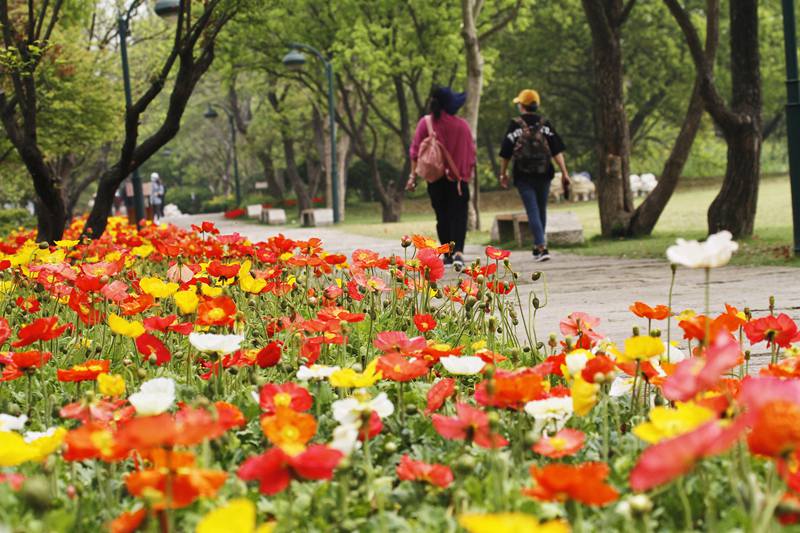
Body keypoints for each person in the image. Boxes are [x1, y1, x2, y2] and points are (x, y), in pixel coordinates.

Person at [407, 87, 476, 269]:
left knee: (442, 216)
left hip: (435, 180)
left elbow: (415, 152)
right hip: (458, 180)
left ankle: (447, 254)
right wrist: (466, 174)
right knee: (459, 216)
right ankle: (458, 252)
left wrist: (412, 177)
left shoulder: (425, 123)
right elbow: (471, 155)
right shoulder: (462, 126)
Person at [499, 89, 570, 262]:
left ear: (522, 106)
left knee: (532, 210)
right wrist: (564, 173)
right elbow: (556, 151)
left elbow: (505, 153)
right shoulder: (545, 124)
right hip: (544, 173)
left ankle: (541, 246)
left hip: (523, 175)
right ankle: (539, 246)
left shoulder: (515, 124)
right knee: (540, 209)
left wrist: (503, 173)